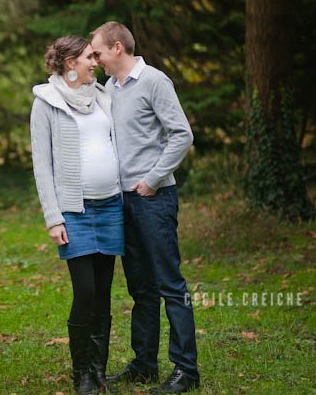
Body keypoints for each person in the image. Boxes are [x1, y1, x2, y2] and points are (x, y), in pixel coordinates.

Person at [88, 22, 200, 394]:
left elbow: (182, 134)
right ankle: (144, 365)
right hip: (123, 202)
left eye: (98, 52)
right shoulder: (109, 89)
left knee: (170, 284)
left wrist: (152, 179)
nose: (96, 59)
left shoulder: (154, 81)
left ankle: (186, 370)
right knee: (141, 289)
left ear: (117, 48)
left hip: (153, 198)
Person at [30, 35, 124, 395]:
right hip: (76, 211)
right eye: (88, 57)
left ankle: (99, 372)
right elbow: (42, 165)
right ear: (70, 63)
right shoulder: (46, 102)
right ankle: (81, 373)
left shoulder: (102, 96)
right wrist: (54, 218)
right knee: (84, 291)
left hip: (111, 205)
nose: (95, 62)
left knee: (103, 292)